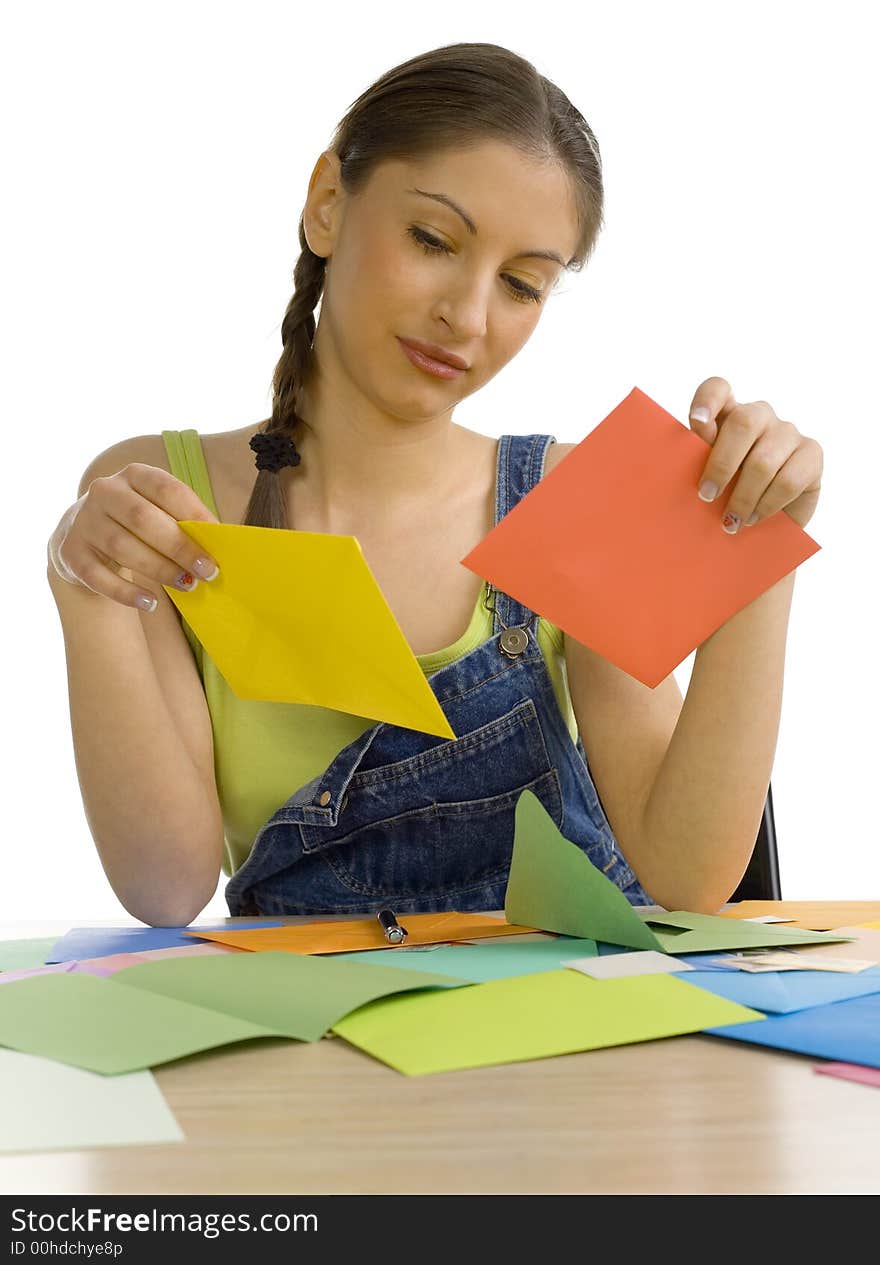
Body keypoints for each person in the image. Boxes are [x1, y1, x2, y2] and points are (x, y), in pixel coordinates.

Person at [46, 42, 823, 927]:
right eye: (432, 240)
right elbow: (164, 887)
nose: (468, 315)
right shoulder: (157, 501)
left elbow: (686, 872)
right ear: (329, 204)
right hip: (319, 1044)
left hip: (576, 1028)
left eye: (523, 285)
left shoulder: (570, 495)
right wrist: (86, 591)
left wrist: (761, 547)